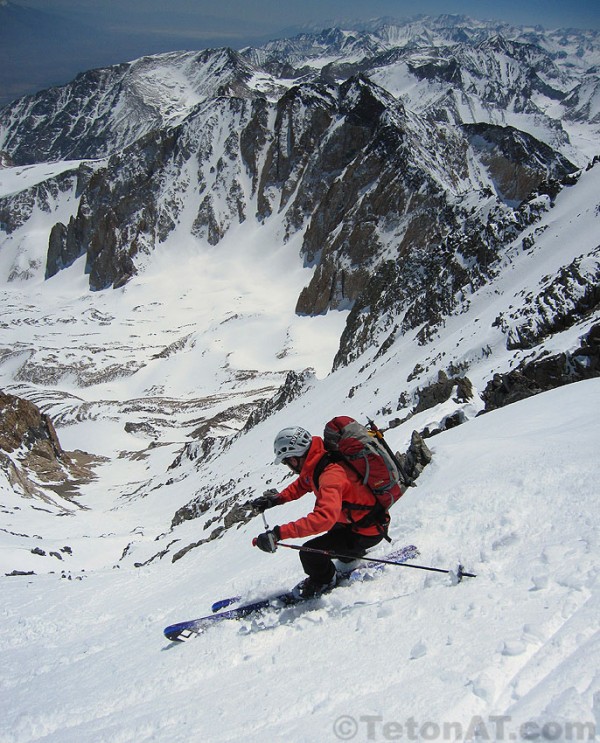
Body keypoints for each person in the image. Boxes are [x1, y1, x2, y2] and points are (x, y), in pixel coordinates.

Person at [252, 425, 390, 598]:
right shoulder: (320, 459)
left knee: (310, 554)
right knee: (336, 551)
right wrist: (276, 499)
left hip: (365, 530)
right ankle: (350, 557)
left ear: (294, 459)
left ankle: (324, 581)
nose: (289, 466)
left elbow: (323, 519)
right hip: (357, 522)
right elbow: (303, 483)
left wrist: (278, 534)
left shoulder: (330, 475)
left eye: (287, 461)